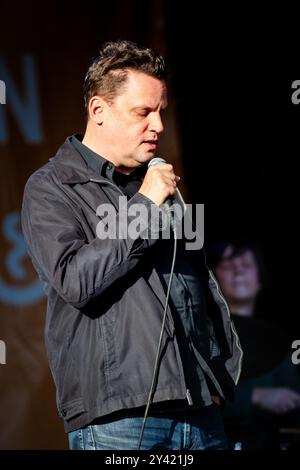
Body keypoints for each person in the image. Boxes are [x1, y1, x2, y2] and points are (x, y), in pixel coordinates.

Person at [21, 40, 242, 450]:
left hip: (199, 409)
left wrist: (219, 372)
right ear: (99, 111)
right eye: (143, 112)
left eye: (161, 111)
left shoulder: (159, 184)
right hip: (121, 418)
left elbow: (196, 285)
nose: (158, 125)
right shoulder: (52, 187)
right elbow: (76, 280)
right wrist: (144, 205)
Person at [208, 240, 300, 449]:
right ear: (214, 277)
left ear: (260, 279)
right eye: (228, 265)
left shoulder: (276, 341)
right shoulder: (203, 332)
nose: (238, 270)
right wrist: (254, 396)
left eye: (246, 265)